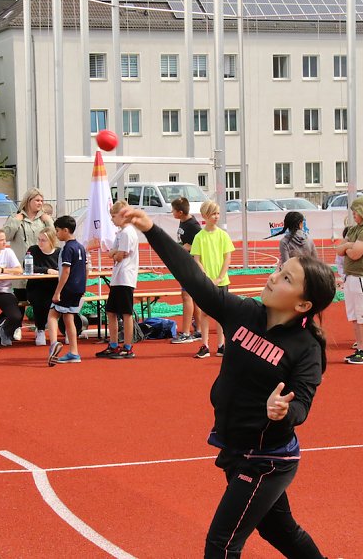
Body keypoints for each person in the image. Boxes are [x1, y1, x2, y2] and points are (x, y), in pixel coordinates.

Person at [116, 205, 336, 559]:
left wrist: (284, 410)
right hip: (236, 448)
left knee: (221, 544)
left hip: (265, 459)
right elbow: (195, 280)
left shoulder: (306, 349)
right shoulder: (244, 312)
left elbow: (302, 406)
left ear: (303, 304)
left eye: (286, 279)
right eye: (280, 270)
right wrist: (150, 229)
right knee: (280, 530)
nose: (274, 276)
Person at [3, 188, 53, 339]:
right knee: (19, 298)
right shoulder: (15, 217)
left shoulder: (43, 219)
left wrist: (49, 220)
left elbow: (53, 238)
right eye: (37, 200)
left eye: (41, 201)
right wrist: (15, 222)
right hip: (20, 265)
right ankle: (16, 327)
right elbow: (5, 235)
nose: (40, 203)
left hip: (40, 267)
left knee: (40, 299)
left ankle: (40, 328)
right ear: (28, 201)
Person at [335, 196, 363, 364]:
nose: (353, 213)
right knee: (355, 317)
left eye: (356, 211)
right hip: (351, 277)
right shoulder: (354, 230)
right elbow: (339, 250)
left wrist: (348, 246)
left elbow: (355, 253)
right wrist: (348, 246)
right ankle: (360, 349)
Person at [190, 200, 236, 359]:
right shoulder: (199, 237)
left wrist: (220, 277)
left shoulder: (223, 235)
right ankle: (205, 345)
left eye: (217, 213)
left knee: (222, 315)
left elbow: (227, 258)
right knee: (204, 313)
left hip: (222, 282)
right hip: (206, 283)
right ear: (204, 216)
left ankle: (221, 345)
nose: (216, 217)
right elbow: (197, 260)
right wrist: (207, 278)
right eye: (213, 214)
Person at [96, 201, 141, 360]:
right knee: (111, 311)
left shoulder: (128, 232)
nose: (112, 220)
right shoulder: (120, 233)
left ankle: (128, 347)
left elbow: (120, 255)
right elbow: (112, 253)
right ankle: (114, 344)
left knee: (126, 313)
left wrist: (115, 254)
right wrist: (115, 253)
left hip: (125, 277)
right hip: (118, 277)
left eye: (114, 216)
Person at [47, 215, 88, 365]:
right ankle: (74, 352)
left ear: (65, 230)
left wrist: (57, 291)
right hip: (77, 288)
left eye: (57, 230)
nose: (56, 234)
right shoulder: (80, 247)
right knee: (68, 318)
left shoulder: (67, 248)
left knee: (52, 315)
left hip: (67, 288)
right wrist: (84, 285)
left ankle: (53, 344)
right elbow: (86, 268)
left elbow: (66, 271)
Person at [170, 197, 202, 344]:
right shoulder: (184, 221)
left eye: (173, 210)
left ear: (181, 212)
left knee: (187, 296)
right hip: (184, 263)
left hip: (191, 265)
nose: (172, 212)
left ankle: (186, 332)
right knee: (194, 297)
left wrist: (180, 250)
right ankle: (199, 330)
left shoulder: (193, 225)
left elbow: (196, 245)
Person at [25, 227, 61, 346]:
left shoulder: (59, 252)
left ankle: (67, 329)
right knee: (40, 300)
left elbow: (64, 268)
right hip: (36, 286)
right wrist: (47, 270)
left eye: (43, 240)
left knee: (66, 299)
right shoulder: (33, 251)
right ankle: (40, 329)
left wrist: (56, 271)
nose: (40, 242)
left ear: (51, 241)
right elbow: (28, 267)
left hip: (54, 287)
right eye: (39, 239)